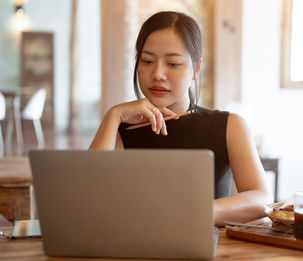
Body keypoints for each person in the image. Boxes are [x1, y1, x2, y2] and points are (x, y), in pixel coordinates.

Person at [90, 11, 270, 226]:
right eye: (147, 61)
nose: (157, 73)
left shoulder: (229, 125)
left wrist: (192, 212)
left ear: (195, 68)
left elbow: (261, 199)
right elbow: (89, 198)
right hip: (136, 248)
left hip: (208, 252)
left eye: (173, 64)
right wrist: (113, 115)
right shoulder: (120, 130)